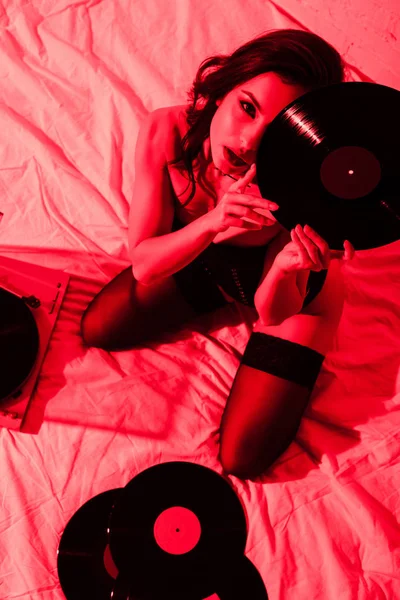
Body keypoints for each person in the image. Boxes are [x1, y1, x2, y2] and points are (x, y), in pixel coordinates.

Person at [80, 29, 355, 479]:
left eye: (276, 133)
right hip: (206, 259)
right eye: (247, 107)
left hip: (288, 295)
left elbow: (272, 313)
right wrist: (212, 223)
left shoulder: (301, 189)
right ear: (222, 87)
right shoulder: (166, 130)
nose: (247, 144)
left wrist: (287, 268)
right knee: (98, 328)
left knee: (242, 458)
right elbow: (145, 264)